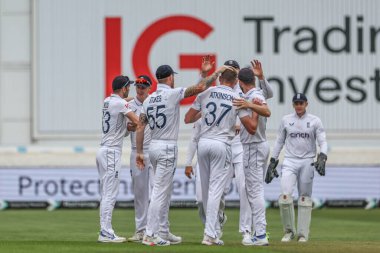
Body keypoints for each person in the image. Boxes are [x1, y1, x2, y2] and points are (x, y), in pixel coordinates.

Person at [136, 64, 230, 246]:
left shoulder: (149, 99)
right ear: (170, 77)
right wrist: (216, 73)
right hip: (167, 147)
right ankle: (150, 234)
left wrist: (139, 151)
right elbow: (200, 88)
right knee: (158, 193)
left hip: (153, 146)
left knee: (161, 191)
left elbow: (140, 126)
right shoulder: (172, 93)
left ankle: (161, 231)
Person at [184, 67, 266, 246]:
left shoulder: (206, 93)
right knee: (215, 191)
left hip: (203, 143)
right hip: (222, 144)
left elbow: (188, 119)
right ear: (236, 82)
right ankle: (209, 234)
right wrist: (255, 111)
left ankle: (211, 232)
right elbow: (251, 128)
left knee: (205, 191)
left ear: (220, 79)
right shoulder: (237, 99)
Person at [265, 93, 328, 243]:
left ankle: (302, 234)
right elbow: (279, 141)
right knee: (285, 197)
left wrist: (322, 156)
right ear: (293, 105)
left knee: (305, 198)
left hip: (307, 161)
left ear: (306, 104)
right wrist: (273, 161)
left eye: (301, 103)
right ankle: (289, 232)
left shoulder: (315, 121)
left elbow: (323, 141)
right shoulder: (286, 120)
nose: (299, 106)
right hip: (290, 161)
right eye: (296, 103)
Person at [96, 75, 140, 243]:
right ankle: (105, 232)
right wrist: (145, 114)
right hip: (111, 153)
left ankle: (105, 230)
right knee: (110, 194)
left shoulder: (108, 101)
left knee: (106, 193)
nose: (130, 89)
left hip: (103, 150)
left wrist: (128, 127)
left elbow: (123, 124)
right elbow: (137, 120)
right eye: (128, 86)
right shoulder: (120, 104)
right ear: (124, 88)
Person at [233, 66, 271, 246]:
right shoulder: (256, 94)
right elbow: (264, 108)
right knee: (256, 190)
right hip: (261, 146)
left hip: (253, 147)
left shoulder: (249, 98)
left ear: (240, 82)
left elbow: (263, 116)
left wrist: (249, 106)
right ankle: (259, 231)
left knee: (254, 191)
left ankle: (261, 234)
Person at [127, 75, 154, 243]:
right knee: (140, 193)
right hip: (136, 151)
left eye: (144, 85)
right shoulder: (129, 105)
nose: (140, 88)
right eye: (138, 85)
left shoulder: (154, 102)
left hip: (154, 150)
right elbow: (124, 128)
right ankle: (140, 230)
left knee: (156, 192)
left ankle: (156, 229)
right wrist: (128, 126)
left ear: (149, 87)